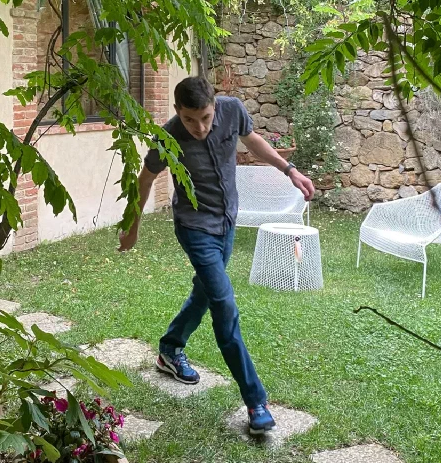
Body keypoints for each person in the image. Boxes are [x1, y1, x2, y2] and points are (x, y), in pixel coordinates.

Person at [118, 76, 315, 434]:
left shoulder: (232, 110)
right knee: (224, 304)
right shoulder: (168, 137)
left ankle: (170, 348)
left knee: (206, 293)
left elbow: (252, 140)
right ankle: (255, 401)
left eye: (206, 117)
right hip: (194, 228)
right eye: (190, 119)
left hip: (226, 222)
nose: (199, 127)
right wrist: (133, 227)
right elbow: (145, 180)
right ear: (177, 111)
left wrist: (289, 170)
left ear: (214, 105)